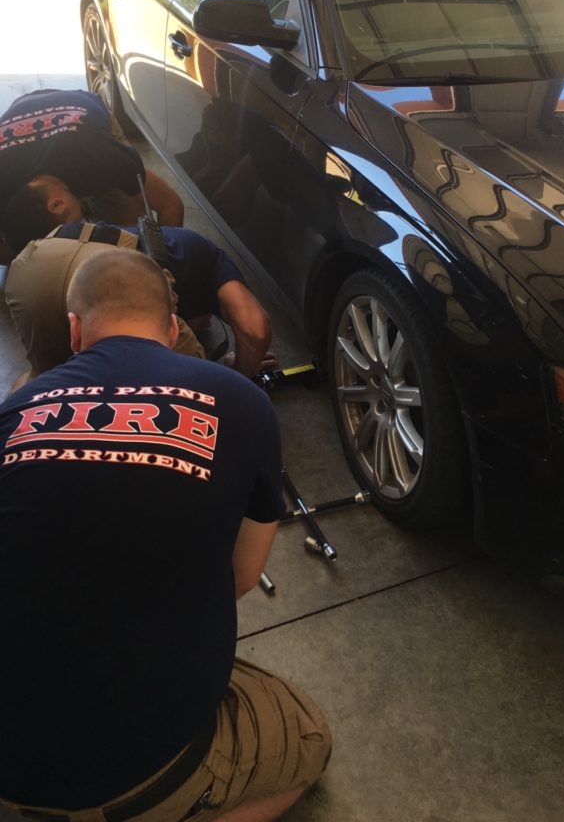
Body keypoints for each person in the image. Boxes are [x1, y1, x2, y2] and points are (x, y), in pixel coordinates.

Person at [0, 248, 331, 821]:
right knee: (305, 736)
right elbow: (244, 576)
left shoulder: (15, 409)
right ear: (173, 327)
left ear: (75, 330)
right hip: (127, 770)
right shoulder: (241, 401)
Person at [5, 220, 273, 379]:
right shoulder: (215, 262)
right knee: (196, 389)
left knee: (44, 381)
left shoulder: (187, 248)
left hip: (36, 264)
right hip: (120, 272)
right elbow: (256, 329)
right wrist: (238, 373)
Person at [0, 88, 184, 262]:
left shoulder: (101, 157)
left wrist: (165, 269)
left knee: (131, 238)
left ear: (57, 204)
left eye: (75, 224)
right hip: (25, 110)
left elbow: (170, 205)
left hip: (78, 107)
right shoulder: (4, 187)